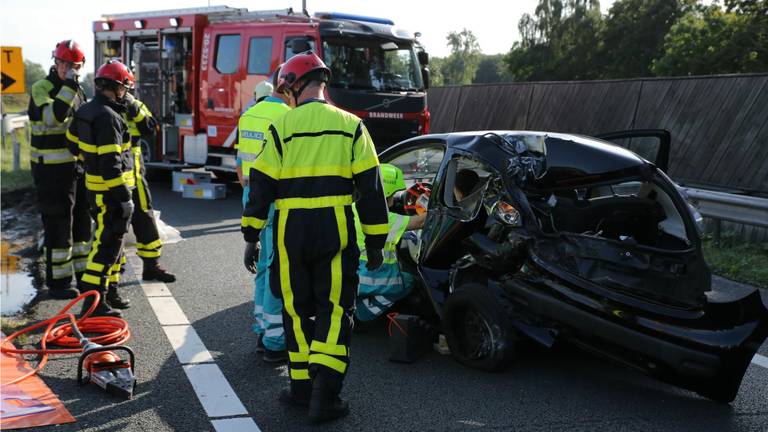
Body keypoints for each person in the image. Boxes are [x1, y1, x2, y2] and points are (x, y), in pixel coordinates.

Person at [241, 51, 388, 423]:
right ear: (322, 83)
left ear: (292, 85)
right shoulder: (352, 126)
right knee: (335, 309)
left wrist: (251, 235)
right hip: (335, 227)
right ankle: (325, 395)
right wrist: (375, 241)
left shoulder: (282, 128)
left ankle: (302, 389)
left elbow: (260, 186)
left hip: (291, 231)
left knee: (295, 310)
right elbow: (371, 190)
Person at [66, 60, 136, 317]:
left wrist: (89, 160)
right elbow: (111, 165)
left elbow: (72, 144)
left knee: (110, 243)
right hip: (111, 194)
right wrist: (125, 198)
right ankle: (95, 304)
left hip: (94, 190)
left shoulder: (86, 110)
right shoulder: (109, 117)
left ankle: (108, 293)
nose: (126, 93)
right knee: (105, 245)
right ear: (117, 87)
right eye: (125, 88)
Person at [28, 40, 91, 299]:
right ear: (56, 63)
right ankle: (59, 284)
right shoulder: (42, 87)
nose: (72, 69)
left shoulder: (77, 89)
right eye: (68, 64)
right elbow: (54, 118)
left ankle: (83, 275)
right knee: (58, 224)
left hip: (75, 167)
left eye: (77, 65)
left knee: (81, 224)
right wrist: (69, 87)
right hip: (51, 170)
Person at [238, 70, 292, 363]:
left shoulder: (249, 115)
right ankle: (274, 340)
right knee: (274, 268)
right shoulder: (286, 116)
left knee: (262, 267)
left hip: (251, 197)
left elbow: (242, 168)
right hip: (275, 199)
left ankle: (262, 328)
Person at [354, 164, 426, 321]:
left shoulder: (353, 208)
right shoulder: (382, 219)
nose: (393, 202)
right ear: (383, 194)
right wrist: (435, 208)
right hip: (366, 276)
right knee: (408, 283)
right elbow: (420, 222)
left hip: (348, 272)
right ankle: (361, 313)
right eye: (391, 196)